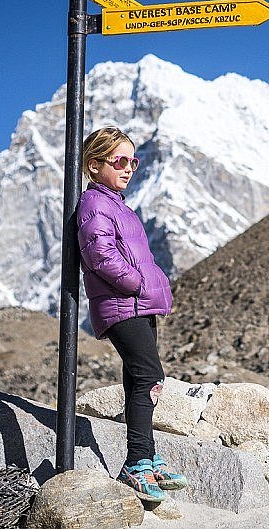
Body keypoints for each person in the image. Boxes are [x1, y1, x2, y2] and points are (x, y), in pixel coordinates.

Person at [77, 126, 187, 502]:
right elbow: (100, 256)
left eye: (132, 161)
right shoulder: (95, 204)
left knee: (138, 382)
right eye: (119, 161)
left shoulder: (117, 204)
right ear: (95, 165)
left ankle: (146, 459)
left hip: (137, 303)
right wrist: (137, 283)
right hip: (124, 304)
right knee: (150, 377)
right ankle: (136, 464)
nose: (128, 168)